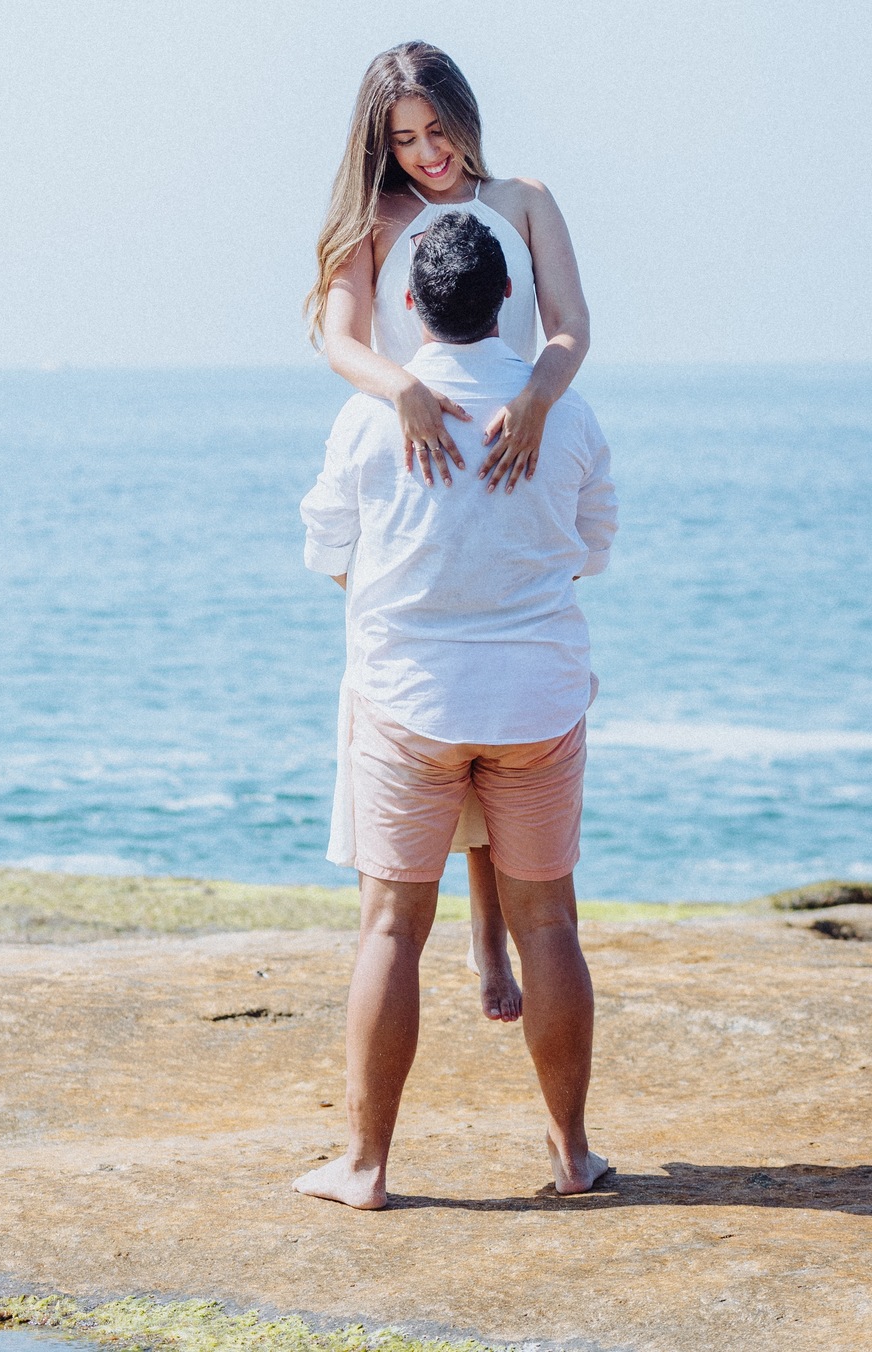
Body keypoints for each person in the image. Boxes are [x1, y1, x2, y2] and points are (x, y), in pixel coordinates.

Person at [296, 211, 616, 1209]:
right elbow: (592, 546)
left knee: (392, 928)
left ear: (407, 304)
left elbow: (329, 552)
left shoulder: (369, 415)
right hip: (536, 704)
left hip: (410, 705)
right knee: (549, 926)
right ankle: (571, 1156)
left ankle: (367, 1168)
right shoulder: (560, 410)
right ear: (507, 302)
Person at [305, 42, 591, 1023]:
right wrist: (407, 391)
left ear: (467, 118)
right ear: (378, 145)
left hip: (515, 462)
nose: (428, 155)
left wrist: (544, 399)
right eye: (404, 140)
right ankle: (450, 944)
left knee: (499, 711)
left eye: (438, 132)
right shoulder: (371, 220)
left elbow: (568, 326)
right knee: (423, 707)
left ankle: (494, 938)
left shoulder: (523, 201)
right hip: (414, 468)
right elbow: (339, 339)